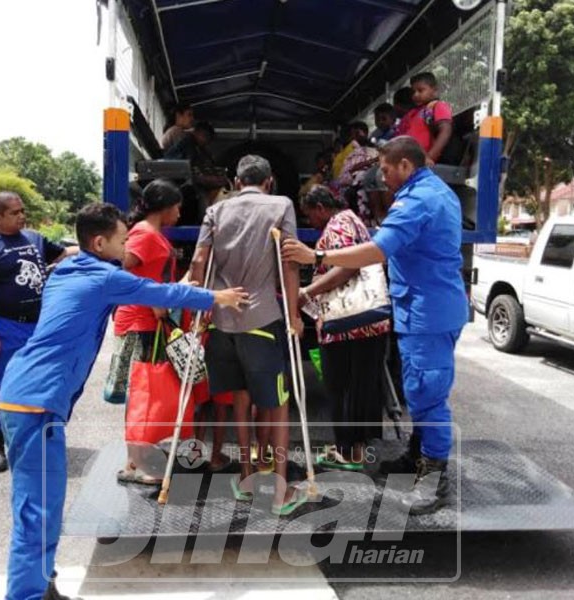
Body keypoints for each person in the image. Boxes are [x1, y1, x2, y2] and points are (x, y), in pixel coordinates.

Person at [0, 203, 247, 600]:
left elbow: (146, 288)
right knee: (38, 506)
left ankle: (41, 583)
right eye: (121, 239)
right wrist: (217, 296)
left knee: (42, 500)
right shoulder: (102, 277)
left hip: (26, 395)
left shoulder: (68, 270)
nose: (127, 244)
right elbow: (159, 292)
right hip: (34, 402)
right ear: (99, 242)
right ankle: (26, 593)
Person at [282, 137, 467, 515]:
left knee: (428, 396)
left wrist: (317, 254)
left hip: (428, 312)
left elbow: (377, 250)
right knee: (418, 393)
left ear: (405, 166)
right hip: (427, 307)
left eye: (385, 169)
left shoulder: (419, 200)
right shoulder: (435, 192)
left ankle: (434, 481)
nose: (381, 177)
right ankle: (416, 459)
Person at [190, 154, 305, 515]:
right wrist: (294, 315)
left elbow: (198, 263)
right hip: (263, 320)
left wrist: (197, 305)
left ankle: (245, 476)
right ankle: (280, 492)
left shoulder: (216, 211)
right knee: (278, 403)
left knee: (239, 396)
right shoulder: (280, 205)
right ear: (268, 180)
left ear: (237, 182)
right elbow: (289, 261)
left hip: (223, 321)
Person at [0, 191, 77, 473]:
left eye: (22, 211)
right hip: (8, 326)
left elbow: (64, 252)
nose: (21, 216)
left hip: (40, 325)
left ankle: (40, 438)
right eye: (14, 212)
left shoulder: (34, 238)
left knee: (45, 380)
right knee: (2, 384)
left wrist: (98, 246)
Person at [298, 185, 392, 469]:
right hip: (369, 321)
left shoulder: (338, 224)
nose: (311, 223)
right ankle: (358, 448)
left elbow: (348, 267)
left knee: (340, 385)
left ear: (321, 209)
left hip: (347, 324)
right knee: (361, 385)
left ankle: (348, 451)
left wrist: (308, 291)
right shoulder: (354, 219)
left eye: (310, 216)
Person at [109, 179, 182, 485]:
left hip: (147, 322)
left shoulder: (151, 233)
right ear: (165, 207)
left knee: (145, 394)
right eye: (176, 206)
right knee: (140, 394)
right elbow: (120, 268)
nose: (179, 213)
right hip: (139, 322)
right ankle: (134, 465)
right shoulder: (144, 233)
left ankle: (134, 461)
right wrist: (148, 297)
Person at [398, 72, 454, 165]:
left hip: (423, 161)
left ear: (434, 90)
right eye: (413, 92)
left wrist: (429, 157)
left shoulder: (436, 106)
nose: (415, 95)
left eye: (420, 90)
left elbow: (446, 130)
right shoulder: (412, 113)